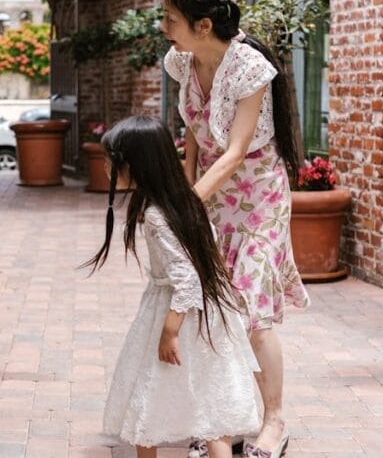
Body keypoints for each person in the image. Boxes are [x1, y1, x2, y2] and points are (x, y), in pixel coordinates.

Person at [159, 0, 310, 458]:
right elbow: (193, 141)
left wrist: (185, 204)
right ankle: (222, 418)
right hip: (213, 199)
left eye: (170, 18)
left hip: (259, 200)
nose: (164, 27)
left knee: (250, 311)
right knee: (214, 309)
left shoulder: (248, 68)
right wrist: (186, 195)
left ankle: (274, 420)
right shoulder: (182, 63)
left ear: (203, 25)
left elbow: (235, 150)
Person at [84, 116, 261, 458]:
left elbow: (187, 278)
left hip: (178, 313)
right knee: (211, 409)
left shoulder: (156, 215)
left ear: (136, 166)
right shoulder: (186, 202)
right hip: (208, 316)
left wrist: (170, 330)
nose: (107, 167)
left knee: (148, 402)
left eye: (112, 161)